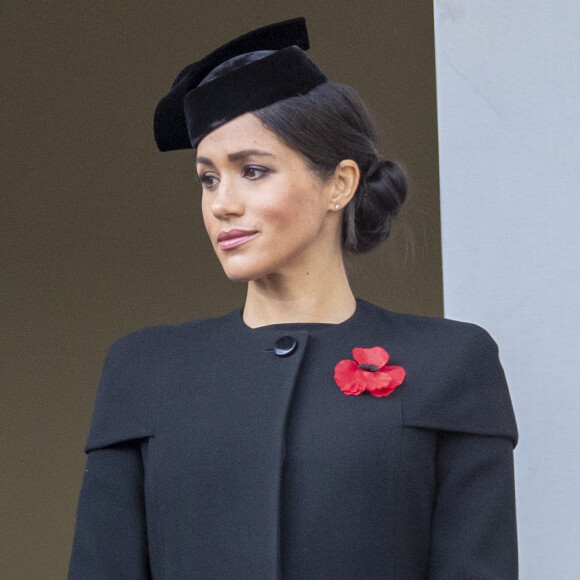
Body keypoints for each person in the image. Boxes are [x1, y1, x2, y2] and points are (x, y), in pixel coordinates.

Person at [68, 18, 518, 579]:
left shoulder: (452, 361)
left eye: (253, 171)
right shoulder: (143, 369)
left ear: (340, 183)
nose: (221, 204)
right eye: (208, 179)